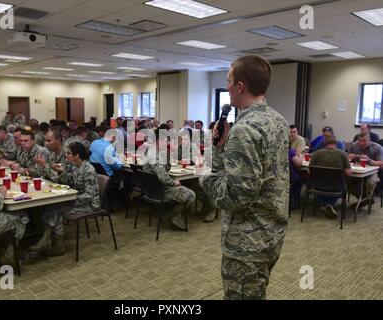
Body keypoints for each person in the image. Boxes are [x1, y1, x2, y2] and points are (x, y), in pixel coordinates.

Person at [199, 55, 289, 300]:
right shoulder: (278, 120)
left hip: (246, 242)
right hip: (270, 233)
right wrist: (225, 146)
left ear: (240, 86)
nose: (226, 87)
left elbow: (236, 197)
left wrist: (206, 174)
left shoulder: (245, 129)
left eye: (229, 81)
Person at [30, 142, 100, 256]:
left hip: (89, 205)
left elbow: (89, 196)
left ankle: (54, 243)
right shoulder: (74, 166)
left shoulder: (89, 170)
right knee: (52, 207)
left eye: (68, 153)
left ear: (76, 156)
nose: (66, 155)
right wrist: (63, 172)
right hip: (76, 199)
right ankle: (50, 240)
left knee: (57, 210)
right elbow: (67, 182)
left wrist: (70, 198)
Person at [142, 130, 195, 230]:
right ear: (158, 141)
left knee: (181, 186)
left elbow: (165, 169)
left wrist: (167, 155)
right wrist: (173, 182)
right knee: (191, 195)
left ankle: (168, 213)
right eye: (165, 141)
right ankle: (171, 214)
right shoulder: (154, 155)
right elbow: (163, 176)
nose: (167, 143)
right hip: (160, 191)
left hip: (149, 189)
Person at [309, 136, 352, 218]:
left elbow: (310, 171)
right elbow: (348, 173)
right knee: (339, 184)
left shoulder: (316, 154)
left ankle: (322, 204)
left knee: (323, 184)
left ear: (325, 144)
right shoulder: (342, 154)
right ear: (336, 144)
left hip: (317, 186)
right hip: (336, 187)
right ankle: (329, 204)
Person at [348, 132, 383, 209]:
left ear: (369, 140)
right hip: (357, 170)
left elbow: (381, 163)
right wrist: (351, 157)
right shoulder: (353, 146)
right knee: (346, 180)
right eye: (359, 141)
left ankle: (365, 199)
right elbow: (347, 158)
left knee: (370, 182)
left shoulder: (377, 147)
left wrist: (369, 160)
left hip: (373, 172)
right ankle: (366, 198)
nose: (361, 143)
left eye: (364, 141)